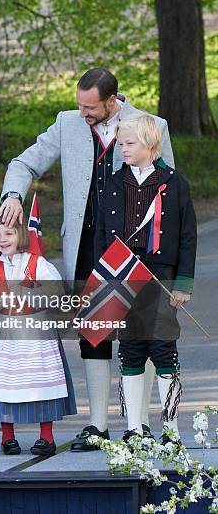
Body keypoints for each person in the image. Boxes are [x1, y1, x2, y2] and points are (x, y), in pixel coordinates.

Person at [0, 67, 175, 450]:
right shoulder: (67, 123)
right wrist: (12, 194)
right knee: (92, 334)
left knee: (137, 335)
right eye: (79, 105)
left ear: (112, 100)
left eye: (91, 107)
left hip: (135, 250)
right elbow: (24, 163)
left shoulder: (150, 125)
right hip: (86, 245)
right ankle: (97, 426)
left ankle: (139, 426)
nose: (83, 113)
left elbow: (169, 191)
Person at [94, 115, 196, 444]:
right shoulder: (113, 183)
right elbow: (101, 235)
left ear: (151, 146)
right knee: (132, 350)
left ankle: (170, 429)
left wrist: (182, 285)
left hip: (161, 275)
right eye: (120, 144)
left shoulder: (174, 183)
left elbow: (187, 237)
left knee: (164, 348)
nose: (122, 149)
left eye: (129, 144)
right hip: (122, 275)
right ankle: (134, 428)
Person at [0, 215, 77, 456]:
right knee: (5, 384)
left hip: (37, 335)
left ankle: (46, 437)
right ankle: (7, 437)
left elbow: (56, 291)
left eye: (8, 234)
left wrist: (25, 291)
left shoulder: (38, 263)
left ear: (21, 235)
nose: (2, 239)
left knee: (42, 384)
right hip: (6, 336)